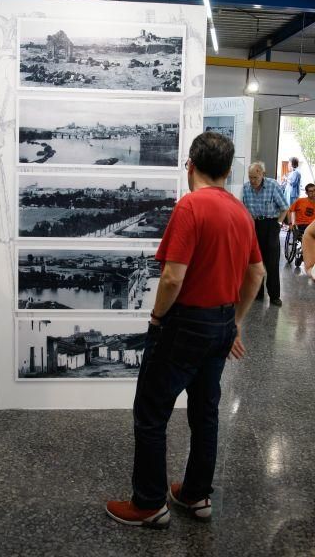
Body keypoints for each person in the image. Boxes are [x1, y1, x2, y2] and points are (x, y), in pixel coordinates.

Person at [106, 132, 265, 529]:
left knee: (151, 412)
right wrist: (236, 322)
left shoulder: (190, 207)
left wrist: (157, 318)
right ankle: (195, 494)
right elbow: (257, 273)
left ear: (190, 165)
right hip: (221, 324)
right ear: (229, 171)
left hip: (183, 324)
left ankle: (148, 504)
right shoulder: (242, 213)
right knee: (205, 412)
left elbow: (173, 278)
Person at [242, 162, 288, 306]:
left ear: (262, 174)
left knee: (272, 262)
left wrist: (278, 224)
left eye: (255, 177)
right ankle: (258, 293)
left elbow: (285, 207)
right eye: (250, 177)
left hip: (271, 224)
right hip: (254, 225)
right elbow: (244, 209)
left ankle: (274, 296)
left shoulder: (273, 186)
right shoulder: (246, 188)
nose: (252, 181)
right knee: (256, 261)